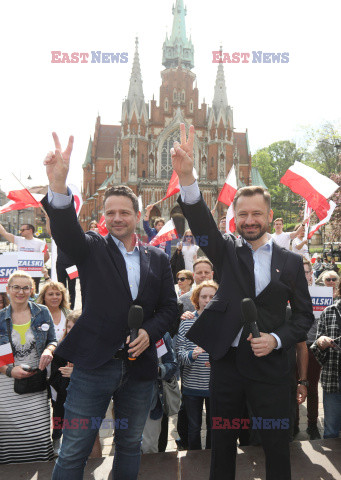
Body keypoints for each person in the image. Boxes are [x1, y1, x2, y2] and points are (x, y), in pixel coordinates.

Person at [172, 123, 314, 480]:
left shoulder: (292, 262)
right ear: (235, 217)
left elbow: (303, 318)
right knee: (221, 444)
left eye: (257, 214)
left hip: (272, 367)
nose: (249, 221)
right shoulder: (226, 251)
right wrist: (188, 177)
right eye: (243, 215)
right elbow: (200, 221)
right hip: (228, 364)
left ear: (268, 216)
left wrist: (278, 339)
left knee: (276, 445)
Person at [43, 132, 177, 480]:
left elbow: (169, 309)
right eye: (110, 213)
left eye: (124, 212)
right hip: (93, 366)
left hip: (140, 369)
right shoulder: (92, 247)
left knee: (130, 445)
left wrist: (150, 331)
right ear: (103, 216)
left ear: (137, 215)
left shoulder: (159, 258)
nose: (117, 218)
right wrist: (58, 186)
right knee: (74, 449)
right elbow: (66, 232)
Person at [0, 271, 57, 464]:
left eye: (25, 288)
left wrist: (49, 350)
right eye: (16, 287)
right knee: (9, 437)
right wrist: (9, 371)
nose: (20, 292)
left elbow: (53, 340)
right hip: (7, 385)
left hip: (36, 381)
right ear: (8, 290)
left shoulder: (42, 312)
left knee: (39, 430)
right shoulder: (0, 318)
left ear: (32, 290)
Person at [176, 280, 218, 450]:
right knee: (193, 428)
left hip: (215, 385)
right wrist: (192, 355)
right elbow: (179, 354)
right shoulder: (187, 321)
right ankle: (194, 461)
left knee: (214, 427)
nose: (207, 300)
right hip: (192, 386)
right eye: (204, 296)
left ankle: (211, 459)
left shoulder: (223, 322)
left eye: (212, 297)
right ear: (196, 299)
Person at [294, 259, 321, 440]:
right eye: (299, 273)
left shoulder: (321, 295)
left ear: (311, 274)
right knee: (291, 387)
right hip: (291, 348)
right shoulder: (288, 293)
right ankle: (293, 425)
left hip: (312, 346)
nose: (303, 276)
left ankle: (312, 424)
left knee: (311, 387)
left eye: (306, 272)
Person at [310, 281, 341, 439]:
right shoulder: (328, 312)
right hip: (333, 381)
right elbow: (315, 348)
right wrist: (321, 342)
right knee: (331, 432)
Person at [141, 332, 178, 454]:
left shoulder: (161, 335)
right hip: (127, 404)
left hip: (152, 404)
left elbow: (172, 365)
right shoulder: (121, 330)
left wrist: (157, 369)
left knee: (150, 448)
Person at [0, 222, 50, 293]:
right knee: (21, 290)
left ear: (30, 230)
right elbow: (4, 233)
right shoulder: (19, 240)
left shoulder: (40, 242)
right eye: (20, 230)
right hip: (21, 273)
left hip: (34, 273)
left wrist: (37, 266)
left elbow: (47, 256)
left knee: (34, 291)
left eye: (23, 230)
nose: (20, 232)